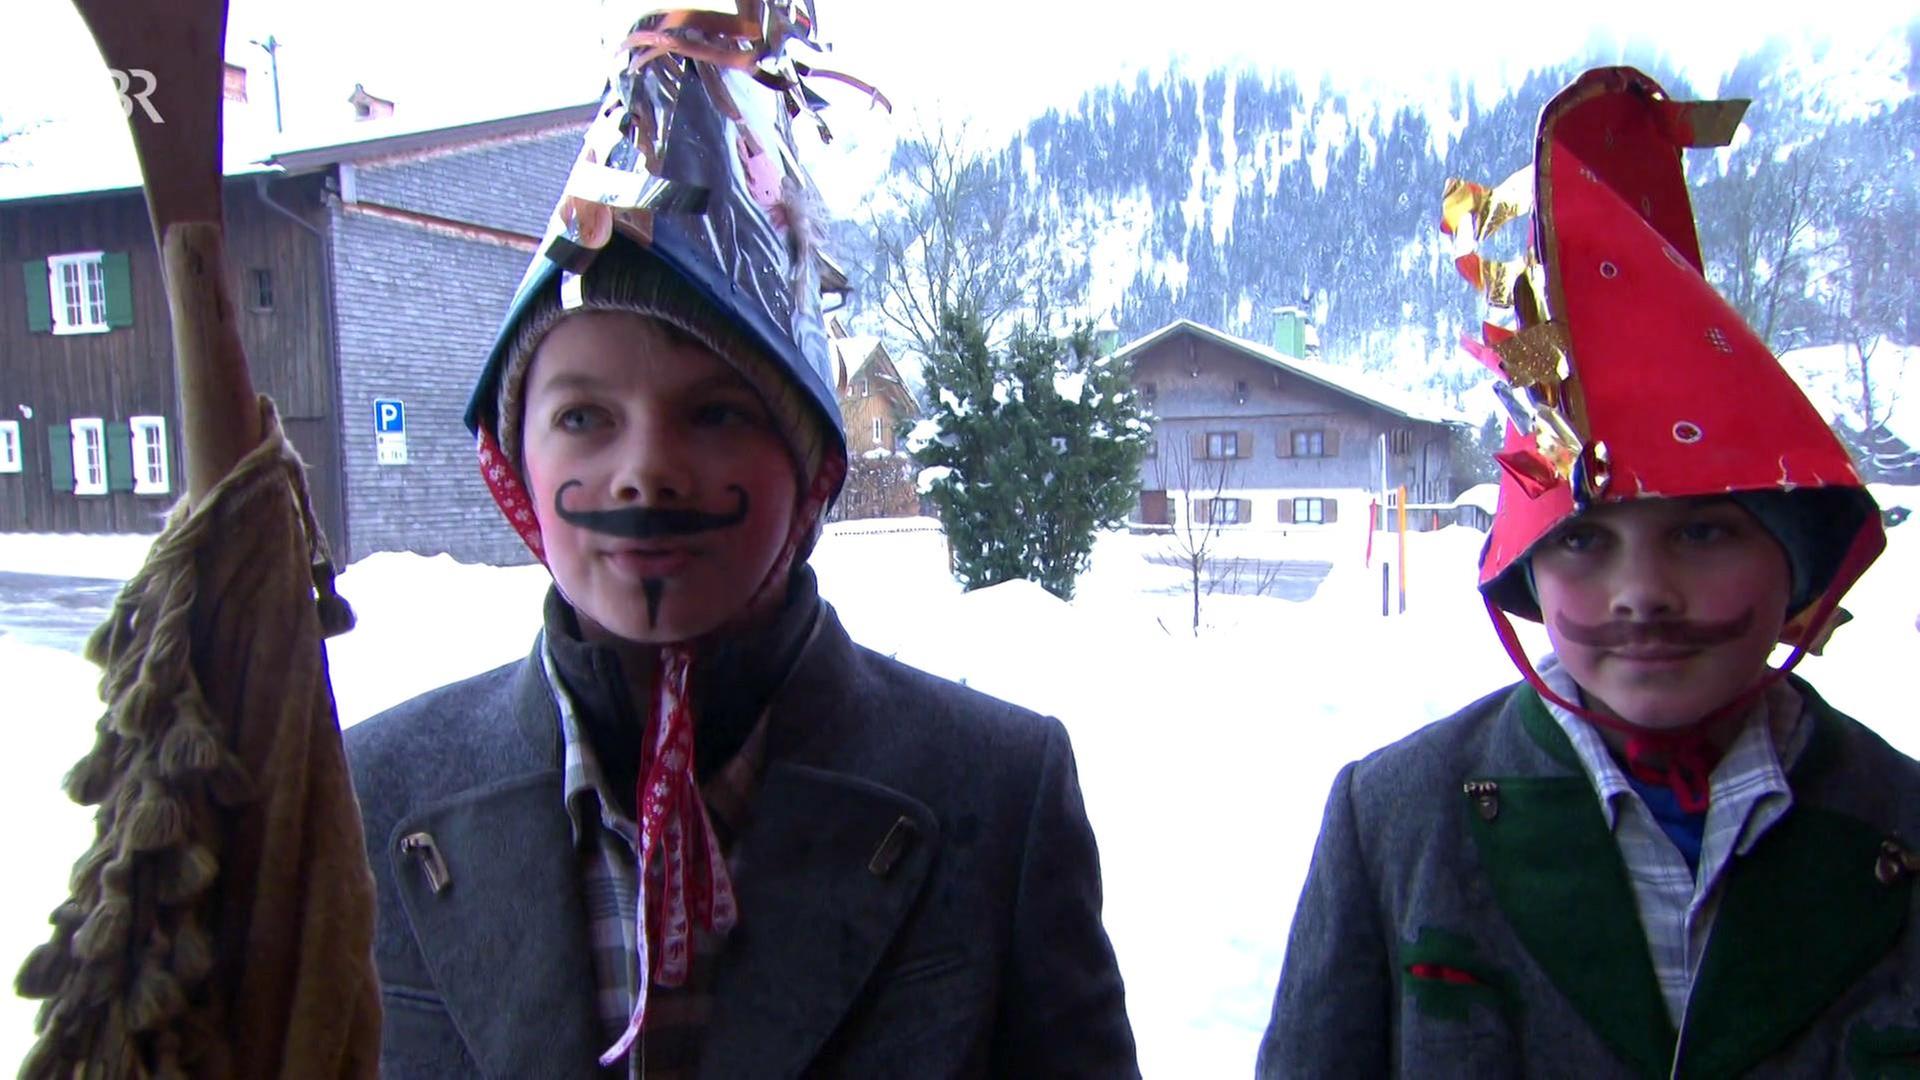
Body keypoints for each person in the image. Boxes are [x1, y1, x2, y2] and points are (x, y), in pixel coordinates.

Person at [344, 10, 1137, 1077]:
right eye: (584, 416)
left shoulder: (993, 793)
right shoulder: (375, 792)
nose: (645, 472)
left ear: (811, 467)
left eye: (716, 412)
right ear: (513, 458)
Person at [1257, 66, 1920, 1078]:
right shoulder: (1396, 818)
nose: (1641, 593)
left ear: (1793, 566)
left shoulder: (1898, 824)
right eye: (1582, 540)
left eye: (1703, 534)